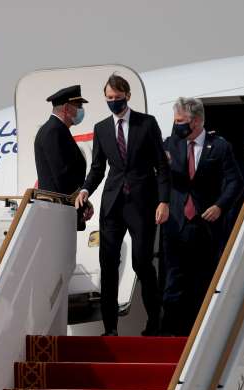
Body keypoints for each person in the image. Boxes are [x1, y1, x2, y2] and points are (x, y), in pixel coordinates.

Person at [75, 74, 171, 336]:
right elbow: (98, 168)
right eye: (109, 98)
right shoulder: (101, 128)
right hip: (113, 204)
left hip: (142, 204)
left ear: (127, 96)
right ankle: (110, 329)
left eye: (117, 98)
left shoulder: (146, 124)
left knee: (142, 262)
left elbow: (161, 166)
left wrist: (164, 201)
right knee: (108, 264)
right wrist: (85, 189)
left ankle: (155, 321)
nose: (113, 102)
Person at [161, 97, 243, 336]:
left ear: (195, 121)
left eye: (180, 121)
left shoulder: (219, 146)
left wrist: (220, 206)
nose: (176, 125)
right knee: (173, 282)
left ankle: (198, 335)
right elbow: (159, 177)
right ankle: (170, 335)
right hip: (176, 224)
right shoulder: (170, 144)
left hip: (206, 225)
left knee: (202, 282)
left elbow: (235, 182)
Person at [34, 85, 92, 228]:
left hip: (62, 209)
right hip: (57, 212)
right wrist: (82, 201)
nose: (81, 110)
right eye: (78, 106)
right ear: (66, 108)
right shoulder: (53, 131)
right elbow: (62, 176)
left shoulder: (59, 130)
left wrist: (84, 199)